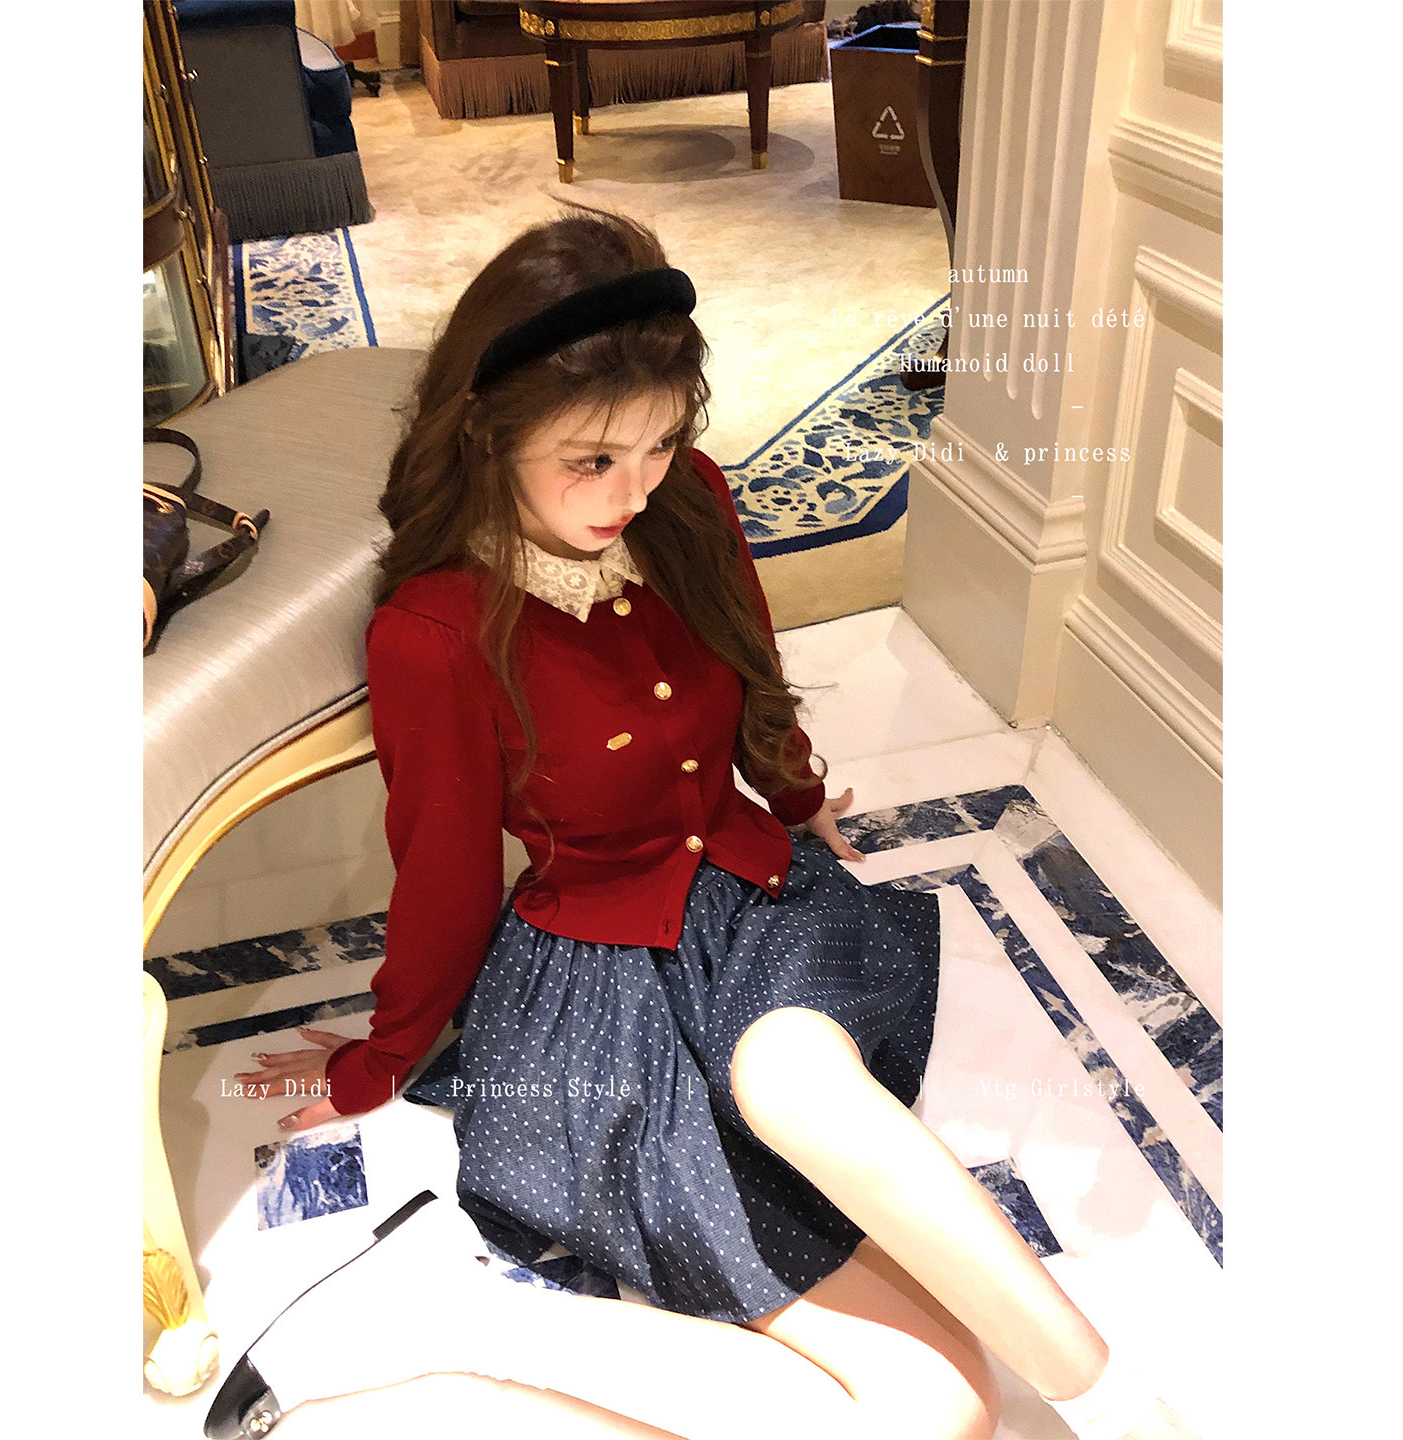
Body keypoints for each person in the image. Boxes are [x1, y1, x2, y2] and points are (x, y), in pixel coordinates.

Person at [206, 205, 1199, 1440]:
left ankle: (1128, 1410)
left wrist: (796, 797)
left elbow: (750, 665)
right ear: (491, 433)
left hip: (748, 903)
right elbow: (445, 879)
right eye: (591, 460)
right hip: (596, 980)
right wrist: (378, 1062)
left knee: (789, 1079)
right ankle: (447, 1370)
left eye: (661, 442)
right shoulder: (439, 630)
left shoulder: (688, 505)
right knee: (944, 1411)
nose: (633, 490)